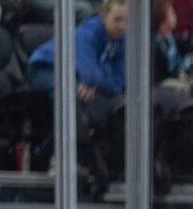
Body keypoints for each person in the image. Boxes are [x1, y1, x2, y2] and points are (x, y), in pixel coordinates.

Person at [27, 0, 126, 131]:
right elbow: (90, 75)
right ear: (104, 16)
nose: (122, 26)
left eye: (127, 20)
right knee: (76, 97)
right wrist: (101, 77)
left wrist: (97, 81)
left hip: (74, 73)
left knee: (104, 98)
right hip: (45, 68)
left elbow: (118, 82)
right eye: (117, 20)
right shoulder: (88, 32)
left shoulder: (122, 38)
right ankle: (63, 144)